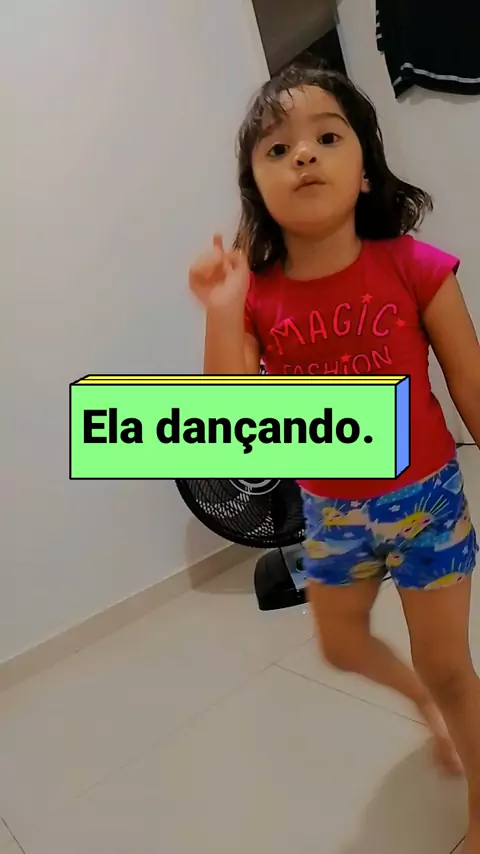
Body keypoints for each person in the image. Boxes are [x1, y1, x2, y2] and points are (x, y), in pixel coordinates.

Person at [188, 64, 480, 850]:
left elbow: (471, 384)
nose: (304, 155)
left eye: (326, 136)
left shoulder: (415, 266)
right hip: (330, 511)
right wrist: (222, 311)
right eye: (277, 149)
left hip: (424, 502)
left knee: (449, 665)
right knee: (340, 643)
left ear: (365, 170)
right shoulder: (256, 296)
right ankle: (422, 701)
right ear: (256, 188)